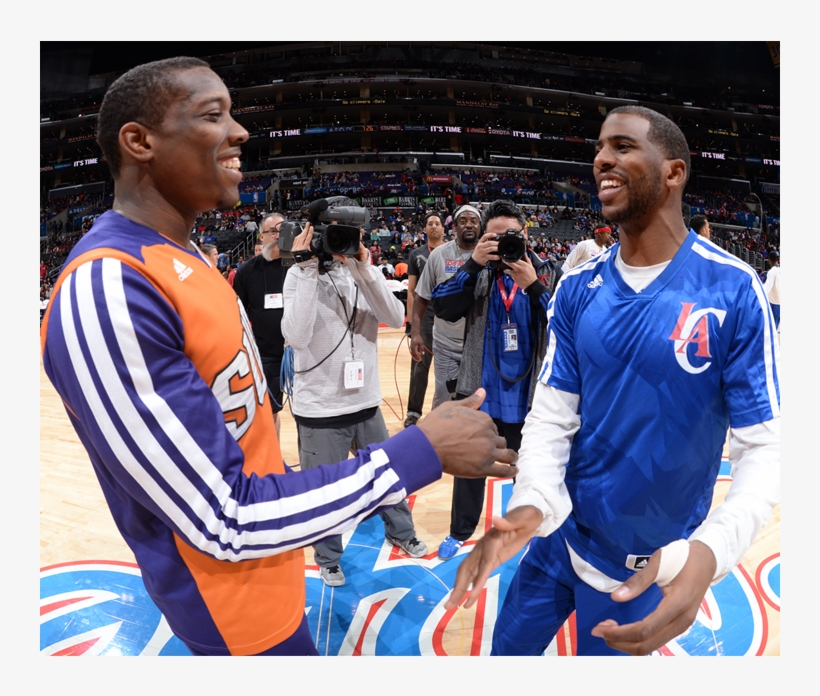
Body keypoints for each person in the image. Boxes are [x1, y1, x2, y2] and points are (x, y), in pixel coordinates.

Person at [40, 57, 518, 657]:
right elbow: (222, 518)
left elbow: (245, 449)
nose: (241, 131)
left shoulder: (185, 259)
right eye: (213, 115)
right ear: (139, 142)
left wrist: (359, 267)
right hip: (229, 608)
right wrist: (420, 449)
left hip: (271, 566)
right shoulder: (107, 288)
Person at [447, 105, 780, 656]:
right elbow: (552, 416)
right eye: (600, 147)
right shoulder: (578, 286)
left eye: (623, 146)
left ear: (674, 172)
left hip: (643, 563)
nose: (602, 158)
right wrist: (532, 501)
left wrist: (711, 552)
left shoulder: (734, 289)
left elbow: (763, 447)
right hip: (559, 535)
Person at [281, 221, 430, 587]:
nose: (342, 242)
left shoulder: (363, 272)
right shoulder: (298, 275)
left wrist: (364, 266)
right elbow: (296, 337)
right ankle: (328, 558)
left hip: (366, 402)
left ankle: (402, 532)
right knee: (325, 492)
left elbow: (395, 317)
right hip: (320, 408)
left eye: (350, 234)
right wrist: (306, 268)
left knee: (388, 477)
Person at [430, 200, 562, 560]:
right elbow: (442, 308)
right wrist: (473, 264)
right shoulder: (479, 272)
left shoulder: (547, 270)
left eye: (511, 236)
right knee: (470, 465)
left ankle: (527, 530)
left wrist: (534, 286)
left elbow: (565, 323)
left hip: (530, 396)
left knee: (530, 469)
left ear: (526, 235)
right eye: (495, 237)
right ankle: (460, 531)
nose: (504, 244)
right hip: (481, 390)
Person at [412, 205, 481, 408]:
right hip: (446, 342)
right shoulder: (439, 255)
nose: (469, 225)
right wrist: (415, 333)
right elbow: (421, 296)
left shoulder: (490, 254)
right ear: (454, 227)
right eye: (463, 221)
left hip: (479, 344)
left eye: (474, 221)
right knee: (443, 398)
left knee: (479, 399)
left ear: (481, 226)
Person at [232, 212, 287, 436]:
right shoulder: (247, 271)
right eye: (272, 231)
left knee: (311, 412)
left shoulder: (301, 266)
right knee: (268, 412)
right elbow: (238, 314)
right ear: (261, 236)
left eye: (282, 230)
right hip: (266, 354)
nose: (278, 235)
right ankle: (273, 455)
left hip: (303, 353)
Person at [403, 211, 446, 428]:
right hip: (426, 315)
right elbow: (411, 291)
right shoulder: (417, 254)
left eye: (437, 223)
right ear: (425, 229)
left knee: (450, 366)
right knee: (420, 364)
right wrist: (412, 323)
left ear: (443, 228)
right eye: (430, 223)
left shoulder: (452, 252)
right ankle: (413, 412)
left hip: (449, 315)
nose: (434, 226)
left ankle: (448, 412)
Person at [763, 249, 780, 330]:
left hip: (773, 304)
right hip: (780, 303)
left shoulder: (771, 272)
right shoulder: (780, 270)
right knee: (774, 329)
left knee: (770, 329)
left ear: (769, 260)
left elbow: (767, 287)